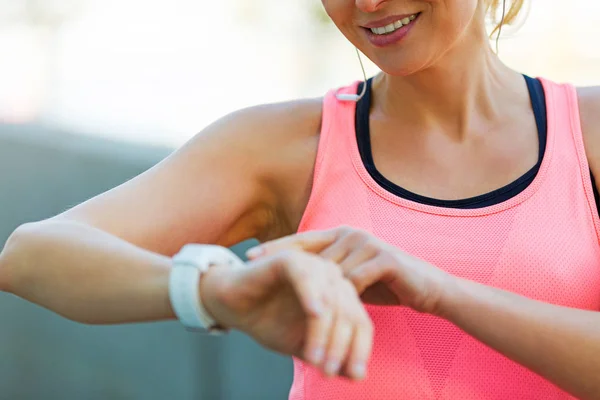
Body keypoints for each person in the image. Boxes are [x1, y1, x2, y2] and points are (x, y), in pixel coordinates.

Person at [0, 0, 599, 398]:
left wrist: (440, 290)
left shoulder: (587, 134)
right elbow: (31, 255)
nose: (366, 2)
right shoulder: (283, 147)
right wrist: (215, 291)